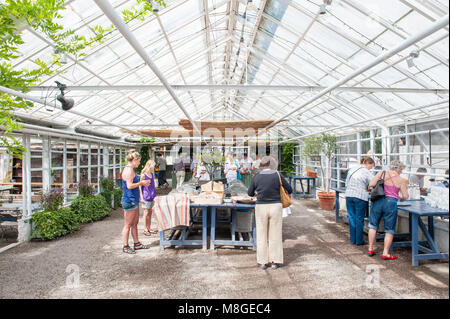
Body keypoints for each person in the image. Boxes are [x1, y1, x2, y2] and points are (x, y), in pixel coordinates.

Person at [248, 156, 293, 270]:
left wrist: (258, 193)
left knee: (261, 235)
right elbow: (290, 189)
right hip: (275, 207)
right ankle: (275, 261)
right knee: (275, 234)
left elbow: (249, 193)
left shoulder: (257, 177)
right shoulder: (277, 175)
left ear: (262, 166)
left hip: (261, 207)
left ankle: (262, 262)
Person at [368, 160, 409, 260]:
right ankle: (385, 253)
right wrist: (401, 198)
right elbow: (405, 196)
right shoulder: (402, 180)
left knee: (373, 225)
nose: (401, 172)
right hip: (391, 203)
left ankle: (370, 248)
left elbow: (371, 184)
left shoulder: (382, 173)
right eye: (401, 170)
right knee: (389, 229)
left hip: (378, 200)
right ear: (399, 169)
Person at [121, 150, 151, 254]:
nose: (139, 163)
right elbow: (129, 186)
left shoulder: (131, 169)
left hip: (134, 200)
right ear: (134, 160)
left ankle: (137, 243)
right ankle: (125, 246)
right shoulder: (129, 171)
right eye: (138, 161)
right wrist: (141, 183)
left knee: (134, 223)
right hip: (129, 200)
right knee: (127, 225)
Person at [344, 157, 375, 245]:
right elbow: (373, 183)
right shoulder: (366, 171)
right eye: (371, 166)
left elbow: (347, 182)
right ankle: (359, 240)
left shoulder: (352, 169)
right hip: (360, 196)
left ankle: (353, 239)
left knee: (351, 218)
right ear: (368, 163)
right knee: (359, 218)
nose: (371, 169)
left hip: (349, 195)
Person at [139, 159, 157, 237]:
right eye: (153, 165)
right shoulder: (143, 175)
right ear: (150, 165)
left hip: (151, 196)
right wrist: (141, 197)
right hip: (146, 196)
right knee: (146, 213)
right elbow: (140, 186)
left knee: (150, 212)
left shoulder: (152, 174)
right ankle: (145, 229)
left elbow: (152, 185)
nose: (154, 167)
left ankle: (149, 228)